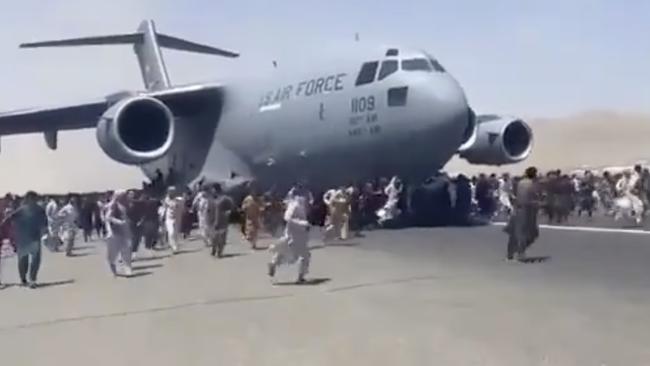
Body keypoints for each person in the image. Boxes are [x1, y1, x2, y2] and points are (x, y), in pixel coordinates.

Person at [1, 191, 47, 288]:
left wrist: (46, 232)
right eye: (32, 198)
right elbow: (9, 219)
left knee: (35, 260)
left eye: (35, 198)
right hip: (22, 239)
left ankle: (32, 280)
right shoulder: (22, 210)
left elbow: (44, 223)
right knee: (23, 260)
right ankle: (23, 278)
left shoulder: (39, 210)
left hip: (34, 238)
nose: (33, 200)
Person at [268, 192, 312, 283]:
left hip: (296, 235)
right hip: (295, 236)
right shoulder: (295, 205)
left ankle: (273, 263)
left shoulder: (300, 205)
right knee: (304, 256)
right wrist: (302, 223)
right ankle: (300, 277)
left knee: (285, 252)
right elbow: (287, 218)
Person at [504, 167, 540, 261]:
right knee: (528, 233)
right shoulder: (530, 184)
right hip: (527, 211)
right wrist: (537, 203)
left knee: (515, 233)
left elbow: (515, 196)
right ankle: (520, 252)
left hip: (518, 209)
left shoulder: (521, 182)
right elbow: (528, 199)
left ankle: (511, 253)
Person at [105, 190, 133, 276]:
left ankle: (127, 268)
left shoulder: (127, 205)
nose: (125, 197)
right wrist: (119, 222)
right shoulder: (114, 205)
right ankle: (112, 265)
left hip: (125, 231)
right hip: (115, 231)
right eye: (123, 196)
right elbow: (108, 217)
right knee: (113, 252)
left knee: (127, 250)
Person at [210, 184, 234, 257]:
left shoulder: (224, 198)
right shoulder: (214, 199)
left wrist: (228, 212)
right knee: (214, 237)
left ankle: (219, 252)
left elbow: (231, 206)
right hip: (213, 220)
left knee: (222, 237)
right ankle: (214, 249)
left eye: (213, 189)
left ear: (216, 189)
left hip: (222, 220)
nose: (212, 191)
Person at [163, 186, 184, 254]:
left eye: (172, 191)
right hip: (169, 218)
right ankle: (174, 247)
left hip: (177, 218)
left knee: (176, 233)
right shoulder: (166, 200)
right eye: (170, 191)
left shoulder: (179, 200)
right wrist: (162, 217)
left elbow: (181, 208)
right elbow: (164, 208)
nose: (171, 193)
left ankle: (175, 245)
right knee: (171, 233)